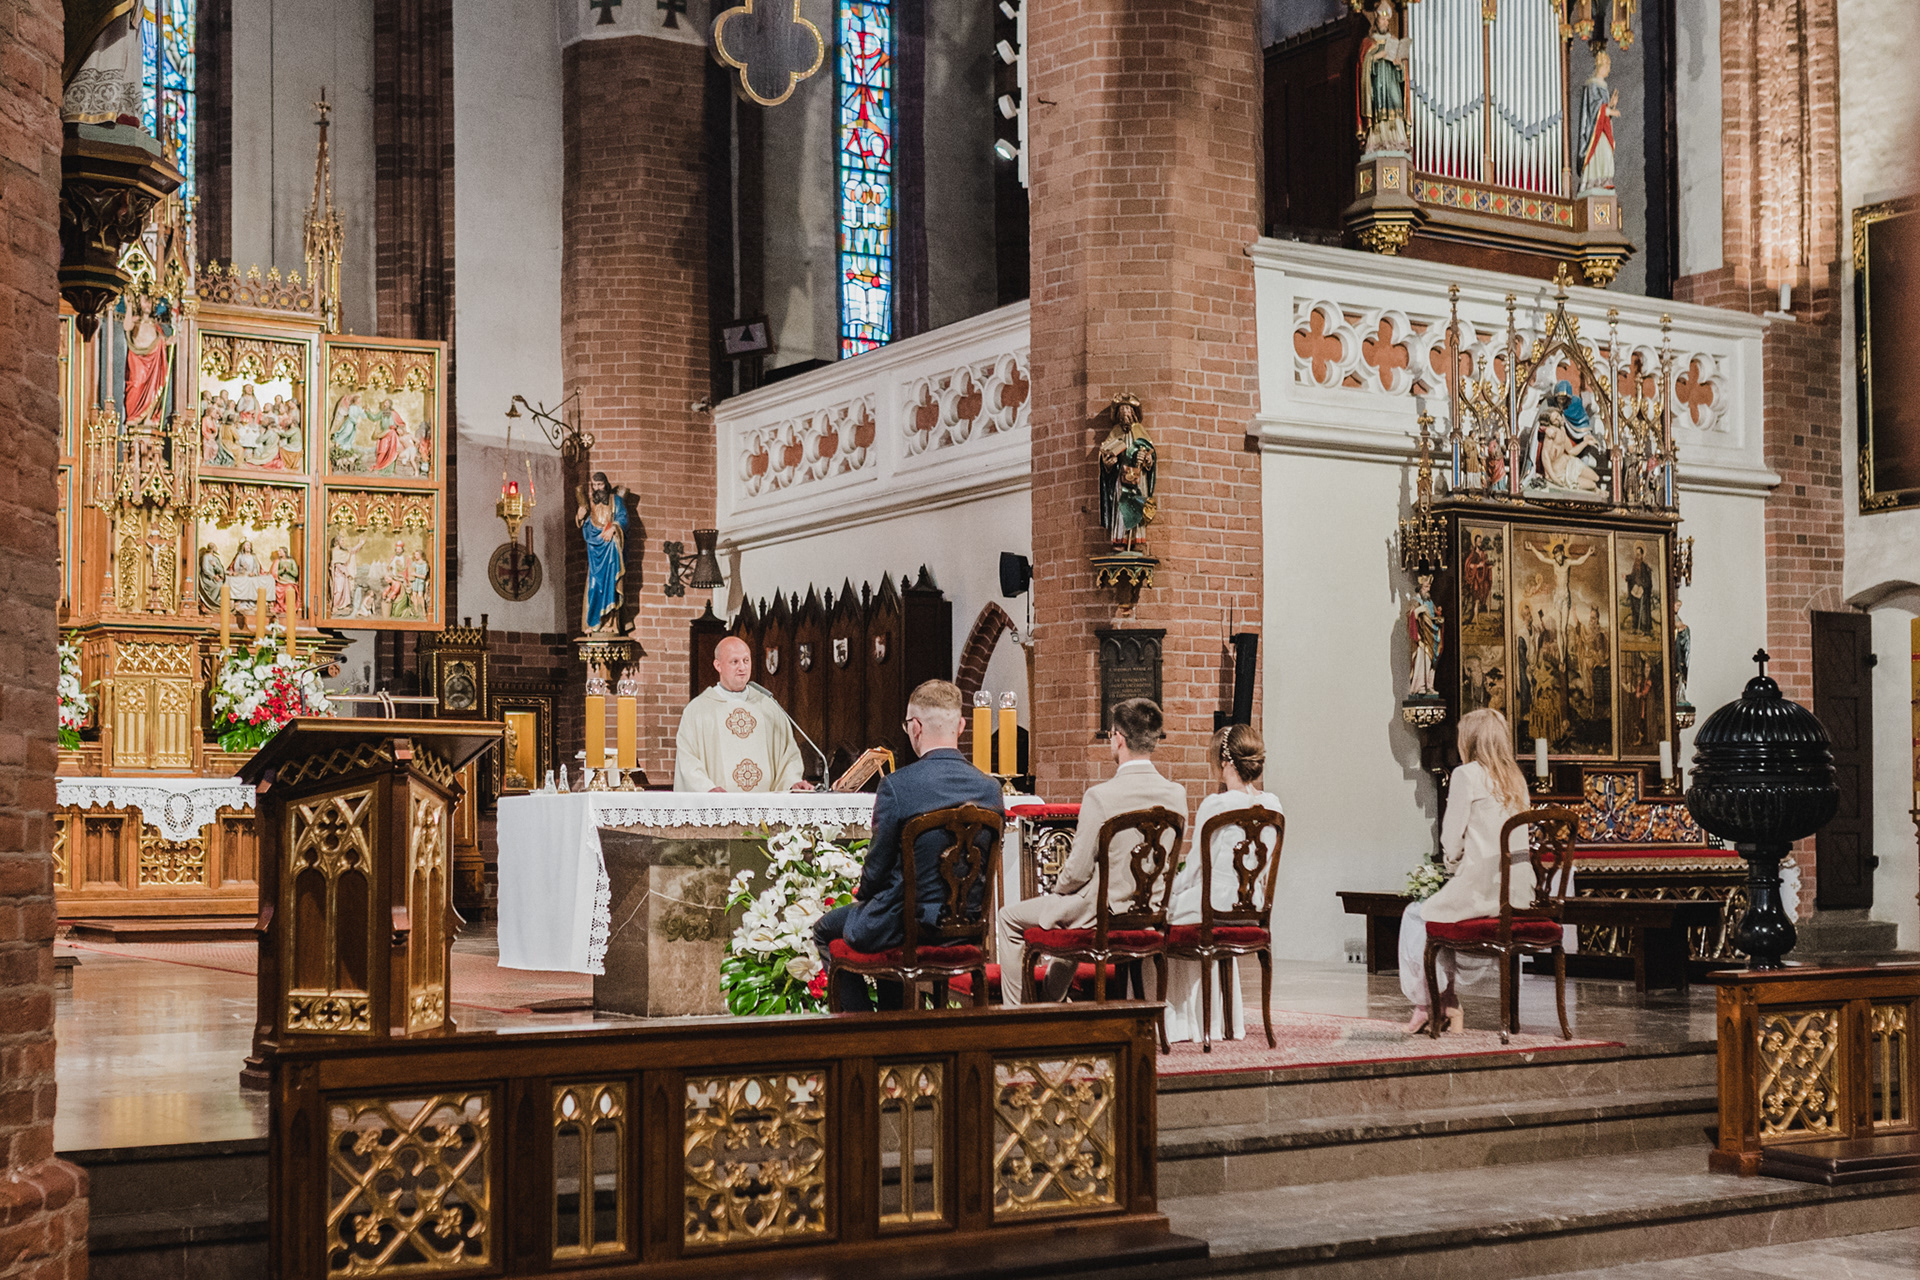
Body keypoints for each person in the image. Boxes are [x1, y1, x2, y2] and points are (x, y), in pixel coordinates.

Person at [812, 680, 1004, 1012]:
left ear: (915, 727)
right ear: (960, 726)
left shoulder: (898, 786)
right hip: (965, 928)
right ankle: (895, 1023)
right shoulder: (990, 790)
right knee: (890, 911)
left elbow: (877, 869)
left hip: (904, 925)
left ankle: (861, 1030)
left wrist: (864, 897)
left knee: (826, 929)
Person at [997, 697, 1189, 1005]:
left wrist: (1059, 891)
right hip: (1150, 911)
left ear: (1118, 738)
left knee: (1009, 917)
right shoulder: (1176, 795)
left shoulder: (1101, 796)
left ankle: (1017, 1015)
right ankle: (1048, 1001)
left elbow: (1077, 871)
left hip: (1101, 913)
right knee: (1071, 909)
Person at [1399, 709, 1533, 1035]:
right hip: (1519, 894)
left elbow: (1451, 838)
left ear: (1469, 740)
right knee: (1438, 918)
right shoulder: (1516, 778)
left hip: (1483, 892)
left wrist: (1454, 865)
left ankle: (1430, 1004)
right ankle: (1446, 1002)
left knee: (1417, 916)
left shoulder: (1467, 775)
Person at [1164, 725, 1280, 1045]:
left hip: (1213, 904)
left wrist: (1168, 890)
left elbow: (1195, 870)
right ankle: (1223, 1022)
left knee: (1158, 917)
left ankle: (1179, 1024)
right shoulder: (1274, 805)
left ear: (1225, 761)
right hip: (1252, 907)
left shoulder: (1215, 805)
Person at [673, 636, 812, 793]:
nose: (742, 667)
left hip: (765, 805)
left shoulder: (768, 707)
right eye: (735, 662)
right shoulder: (697, 711)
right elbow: (687, 760)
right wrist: (707, 789)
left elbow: (788, 755)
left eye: (746, 661)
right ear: (718, 665)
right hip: (719, 804)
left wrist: (792, 782)